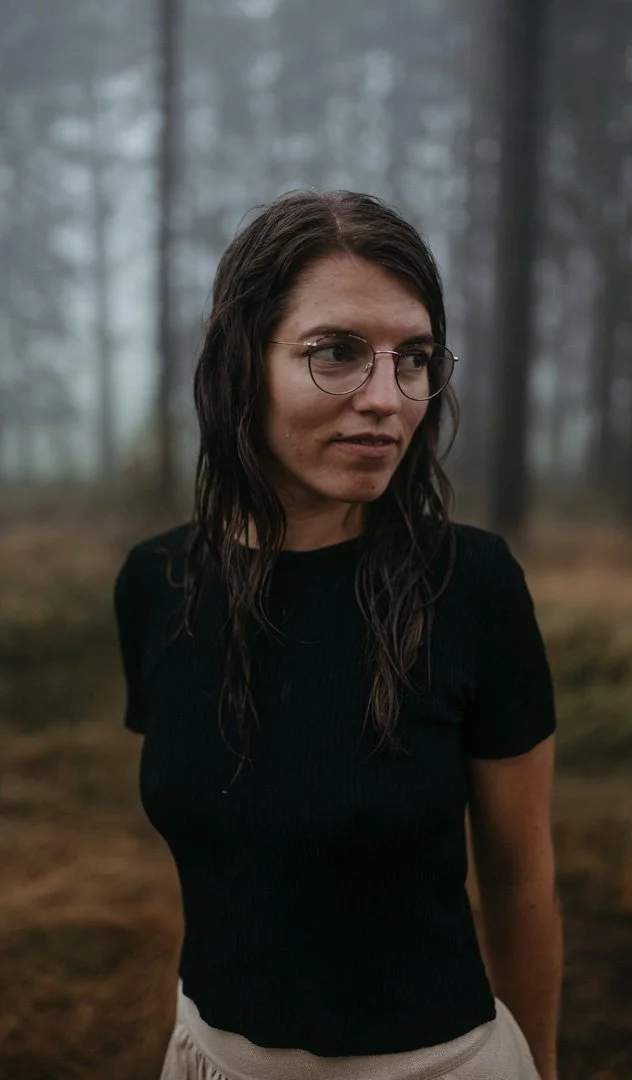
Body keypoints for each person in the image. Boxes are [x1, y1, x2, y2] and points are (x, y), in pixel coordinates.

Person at [114, 190, 562, 1080]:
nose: (388, 401)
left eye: (416, 360)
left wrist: (542, 1069)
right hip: (206, 1056)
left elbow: (519, 880)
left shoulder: (473, 588)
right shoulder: (157, 584)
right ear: (243, 362)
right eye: (338, 353)